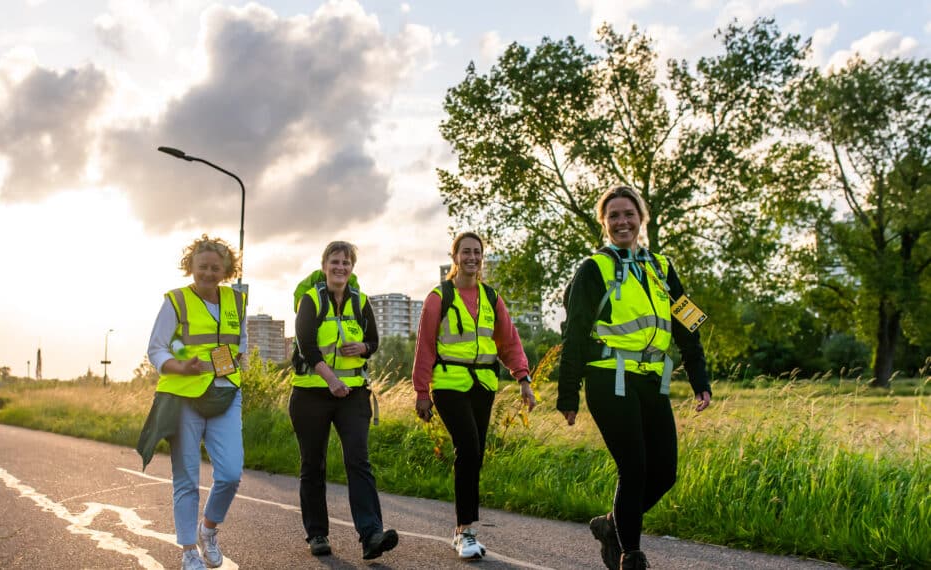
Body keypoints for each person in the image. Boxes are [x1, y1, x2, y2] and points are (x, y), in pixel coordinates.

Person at [557, 185, 712, 570]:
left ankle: (613, 525)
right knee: (635, 467)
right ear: (604, 223)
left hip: (651, 380)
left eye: (629, 214)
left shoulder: (663, 267)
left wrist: (700, 379)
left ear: (642, 218)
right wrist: (568, 394)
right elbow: (574, 332)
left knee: (666, 471)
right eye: (613, 216)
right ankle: (631, 553)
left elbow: (687, 324)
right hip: (608, 378)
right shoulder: (594, 268)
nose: (622, 221)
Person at [412, 231, 536, 560]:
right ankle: (466, 531)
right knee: (467, 447)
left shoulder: (491, 297)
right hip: (449, 383)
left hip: (483, 384)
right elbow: (424, 346)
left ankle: (460, 530)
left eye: (477, 252)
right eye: (465, 252)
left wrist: (523, 377)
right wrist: (422, 390)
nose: (472, 257)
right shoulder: (439, 297)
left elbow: (509, 341)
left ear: (482, 257)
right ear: (454, 258)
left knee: (476, 453)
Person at [139, 235, 247, 570]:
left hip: (226, 392)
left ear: (227, 270)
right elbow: (156, 348)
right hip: (184, 395)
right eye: (203, 267)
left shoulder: (237, 300)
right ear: (191, 267)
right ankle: (188, 551)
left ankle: (208, 530)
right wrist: (179, 366)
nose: (209, 273)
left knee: (230, 473)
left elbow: (240, 340)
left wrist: (232, 362)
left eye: (216, 267)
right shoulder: (176, 301)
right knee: (186, 477)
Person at [289, 241, 398, 560]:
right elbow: (306, 347)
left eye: (346, 262)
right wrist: (331, 379)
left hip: (352, 395)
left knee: (358, 461)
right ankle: (317, 534)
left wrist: (362, 348)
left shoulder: (361, 301)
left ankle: (371, 535)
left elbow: (374, 341)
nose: (340, 267)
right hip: (311, 394)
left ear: (352, 268)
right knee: (313, 464)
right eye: (335, 262)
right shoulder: (310, 300)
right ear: (324, 266)